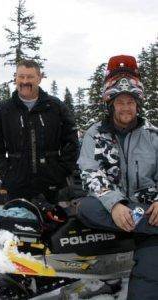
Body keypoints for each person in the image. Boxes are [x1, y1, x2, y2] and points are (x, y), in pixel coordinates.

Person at [0, 59, 79, 297]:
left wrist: (60, 170)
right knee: (19, 232)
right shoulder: (4, 110)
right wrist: (7, 173)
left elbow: (71, 141)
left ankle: (60, 276)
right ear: (15, 78)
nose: (25, 81)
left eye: (30, 76)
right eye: (21, 76)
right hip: (18, 182)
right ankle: (18, 282)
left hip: (52, 182)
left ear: (39, 78)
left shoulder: (55, 107)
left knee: (54, 230)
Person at [77, 55, 158, 300]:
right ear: (111, 103)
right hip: (109, 210)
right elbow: (90, 171)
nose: (126, 107)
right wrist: (114, 204)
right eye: (120, 101)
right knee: (87, 206)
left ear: (138, 104)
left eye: (130, 102)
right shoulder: (95, 134)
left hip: (146, 207)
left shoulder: (153, 135)